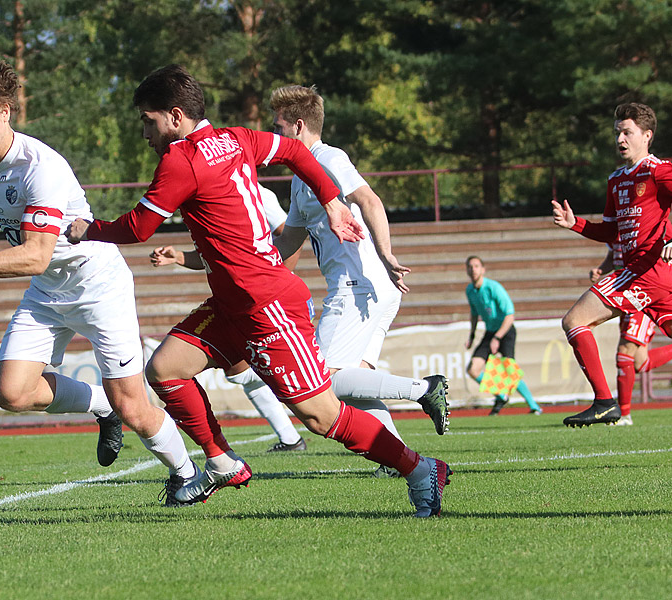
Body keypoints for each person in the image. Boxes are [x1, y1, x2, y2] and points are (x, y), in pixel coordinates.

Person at [67, 65, 451, 517]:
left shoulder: (180, 159)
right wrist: (329, 200)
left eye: (147, 122)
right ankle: (222, 462)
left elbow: (138, 227)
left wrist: (86, 228)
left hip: (267, 306)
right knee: (166, 369)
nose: (145, 133)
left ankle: (420, 468)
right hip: (235, 304)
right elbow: (293, 150)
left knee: (321, 416)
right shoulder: (237, 138)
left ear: (174, 116)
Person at [0, 60, 198, 494]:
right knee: (11, 392)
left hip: (97, 285)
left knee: (136, 408)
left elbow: (35, 257)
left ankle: (186, 474)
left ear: (5, 111)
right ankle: (101, 405)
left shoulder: (40, 167)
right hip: (49, 291)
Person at [264, 84, 450, 478]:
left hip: (359, 287)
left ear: (298, 126)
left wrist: (385, 253)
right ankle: (397, 458)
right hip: (368, 289)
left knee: (325, 379)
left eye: (277, 127)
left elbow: (370, 200)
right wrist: (248, 266)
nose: (273, 135)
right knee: (356, 380)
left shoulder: (328, 158)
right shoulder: (300, 177)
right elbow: (290, 241)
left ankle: (423, 389)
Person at [150, 185, 307, 452]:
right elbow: (214, 254)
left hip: (268, 301)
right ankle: (290, 439)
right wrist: (178, 257)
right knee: (240, 371)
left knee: (315, 390)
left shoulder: (253, 192)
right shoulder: (212, 194)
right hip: (242, 302)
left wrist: (275, 284)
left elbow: (289, 238)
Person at [552, 101, 672, 427]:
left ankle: (606, 402)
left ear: (646, 135)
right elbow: (611, 231)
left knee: (575, 320)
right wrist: (575, 223)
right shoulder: (617, 179)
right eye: (617, 132)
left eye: (627, 132)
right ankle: (606, 402)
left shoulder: (658, 169)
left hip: (644, 272)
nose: (620, 139)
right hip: (652, 275)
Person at [588, 246, 672, 426]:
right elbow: (613, 256)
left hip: (642, 293)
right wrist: (601, 270)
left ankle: (623, 415)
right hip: (623, 293)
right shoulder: (616, 228)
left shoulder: (640, 225)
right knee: (640, 362)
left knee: (624, 354)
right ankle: (623, 414)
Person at [463, 256, 542, 415]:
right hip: (490, 332)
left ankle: (535, 407)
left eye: (477, 266)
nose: (473, 269)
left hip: (505, 331)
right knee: (473, 369)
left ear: (483, 269)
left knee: (509, 371)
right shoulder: (470, 290)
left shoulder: (493, 287)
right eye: (470, 267)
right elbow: (474, 314)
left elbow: (509, 315)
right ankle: (501, 395)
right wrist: (472, 335)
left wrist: (497, 338)